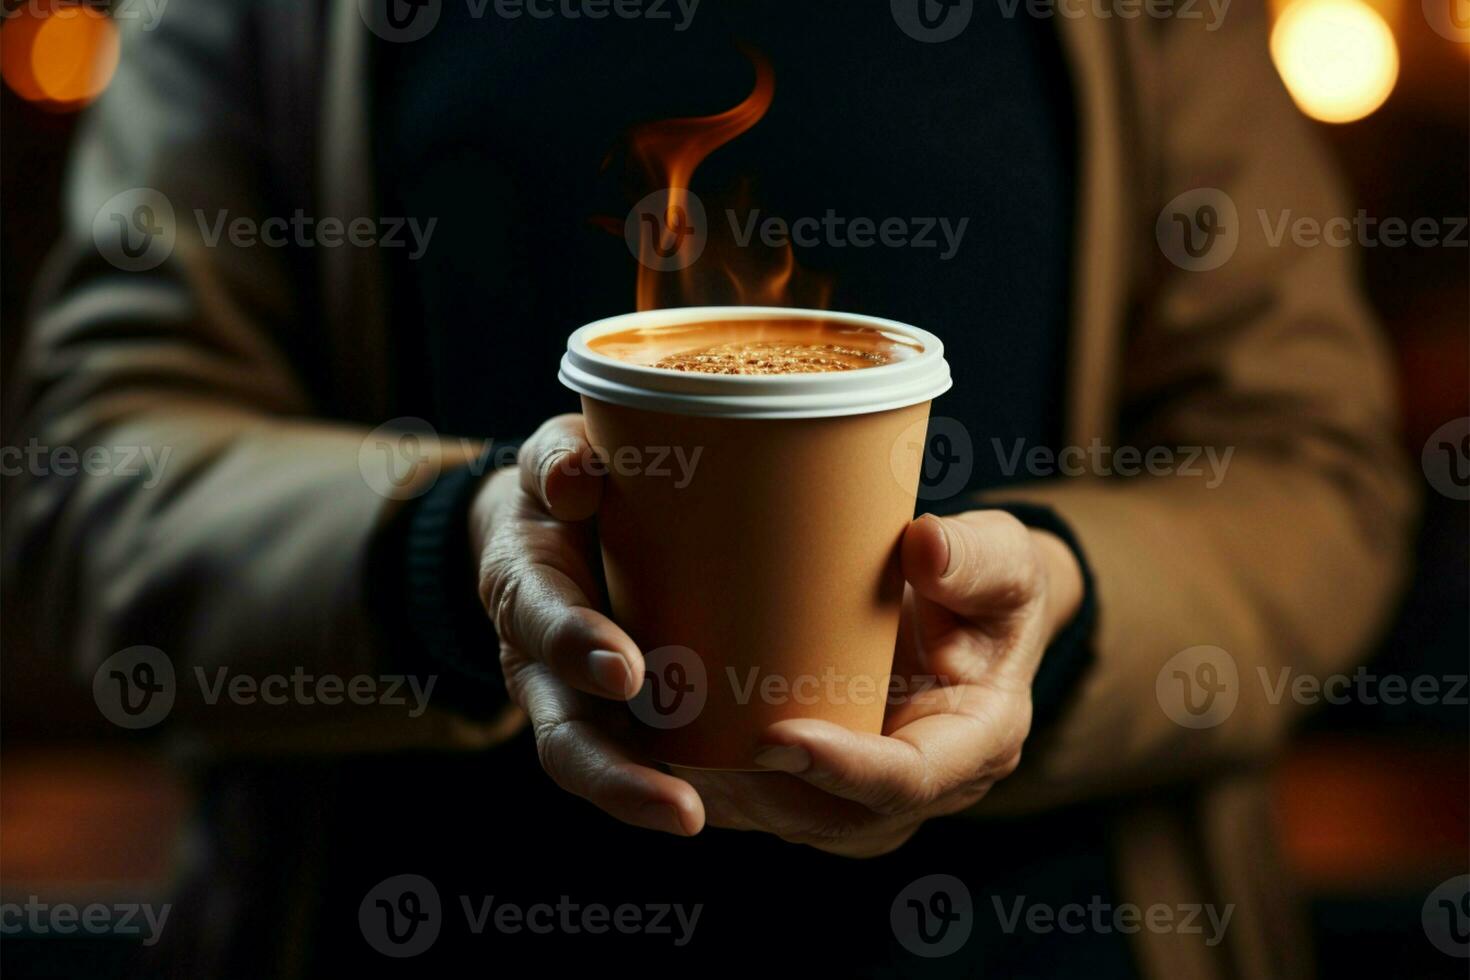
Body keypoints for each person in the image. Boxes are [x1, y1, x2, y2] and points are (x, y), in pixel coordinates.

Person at [3, 1, 1416, 976]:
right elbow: (89, 480)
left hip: (1064, 941)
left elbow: (1312, 472)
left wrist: (1066, 610)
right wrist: (454, 560)